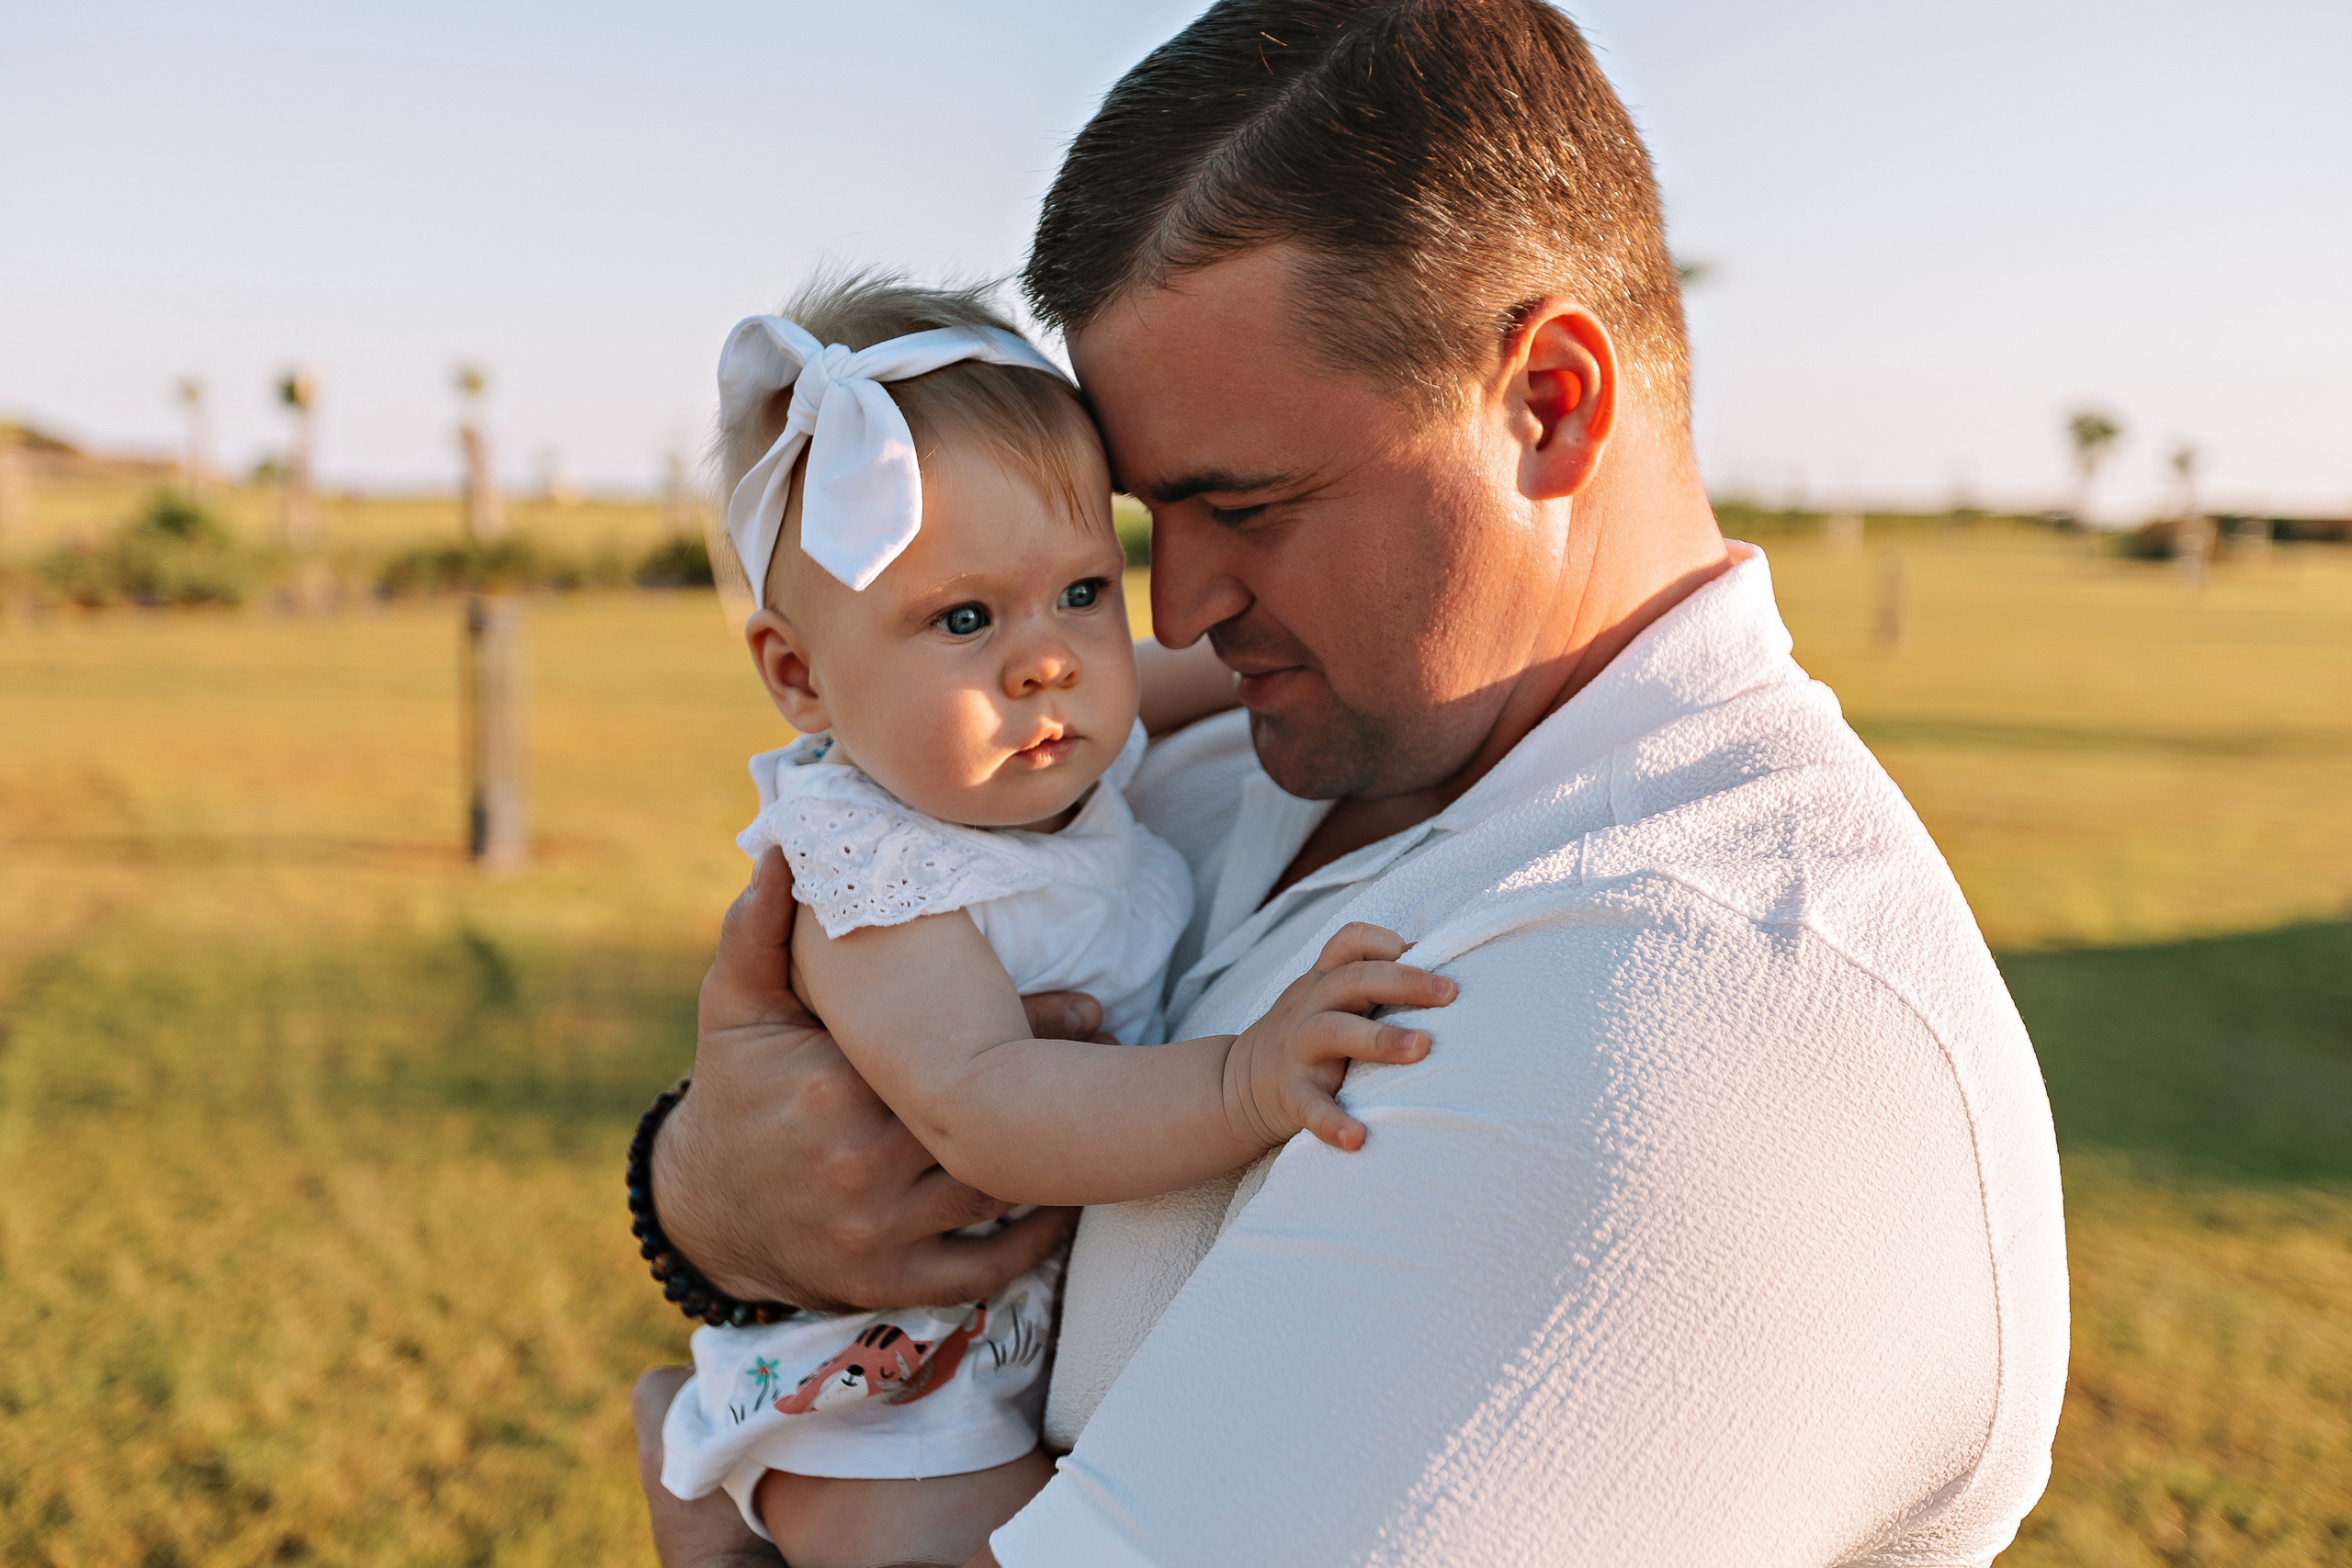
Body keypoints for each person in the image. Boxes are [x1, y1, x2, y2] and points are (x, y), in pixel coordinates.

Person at [637, 2, 2071, 1563]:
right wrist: (702, 1196)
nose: (1171, 613)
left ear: (1550, 406)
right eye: (1145, 526)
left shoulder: (1692, 1030)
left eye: (1243, 503)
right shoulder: (1231, 755)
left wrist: (708, 1534)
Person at [650, 273, 1453, 1568]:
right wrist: (1243, 1082)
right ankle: (706, 1486)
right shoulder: (874, 872)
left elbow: (1210, 673)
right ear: (800, 677)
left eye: (1082, 590)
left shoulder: (1047, 753)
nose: (1048, 659)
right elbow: (988, 1105)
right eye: (964, 619)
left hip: (1004, 1354)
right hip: (895, 1403)